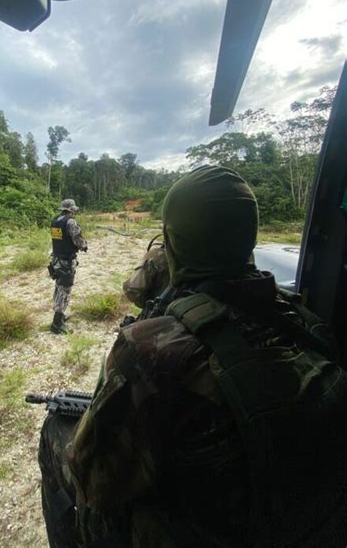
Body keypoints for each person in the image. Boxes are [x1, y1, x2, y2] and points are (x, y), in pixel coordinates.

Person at [39, 166, 347, 547]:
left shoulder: (151, 349)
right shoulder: (307, 323)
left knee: (54, 430)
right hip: (298, 524)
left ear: (173, 242)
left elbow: (93, 481)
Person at [49, 198, 87, 334]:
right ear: (71, 209)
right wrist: (84, 246)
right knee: (65, 290)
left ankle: (60, 317)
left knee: (59, 287)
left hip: (56, 260)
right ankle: (57, 324)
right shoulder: (70, 222)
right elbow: (77, 239)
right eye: (73, 210)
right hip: (66, 261)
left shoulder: (55, 221)